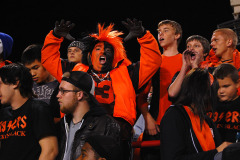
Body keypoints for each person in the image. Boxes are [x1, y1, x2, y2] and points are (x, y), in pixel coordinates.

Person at [42, 18, 161, 160]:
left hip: (116, 136)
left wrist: (143, 36)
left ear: (115, 55)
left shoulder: (128, 73)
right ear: (89, 55)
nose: (103, 51)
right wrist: (55, 36)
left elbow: (153, 60)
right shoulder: (76, 72)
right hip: (80, 133)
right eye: (97, 49)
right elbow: (49, 59)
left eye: (108, 49)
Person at [160, 68, 232, 160]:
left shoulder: (206, 120)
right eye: (214, 91)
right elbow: (172, 158)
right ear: (203, 94)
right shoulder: (174, 116)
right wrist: (216, 153)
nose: (217, 95)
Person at [139, 20, 182, 160]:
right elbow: (141, 94)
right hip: (155, 125)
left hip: (180, 124)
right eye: (158, 31)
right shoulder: (154, 62)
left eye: (165, 30)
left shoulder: (186, 61)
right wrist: (147, 117)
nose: (160, 34)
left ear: (177, 35)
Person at [56, 71, 120, 160]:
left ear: (79, 95)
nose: (58, 95)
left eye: (63, 91)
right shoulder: (62, 124)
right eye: (59, 91)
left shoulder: (106, 124)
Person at [0, 63, 58, 160]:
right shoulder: (3, 114)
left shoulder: (38, 109)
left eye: (0, 84)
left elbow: (50, 151)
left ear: (15, 82)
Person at [21, 44, 61, 121]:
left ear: (46, 63)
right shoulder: (25, 86)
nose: (32, 74)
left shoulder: (61, 84)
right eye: (28, 70)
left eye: (35, 68)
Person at [168, 35, 210, 102]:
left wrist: (194, 65)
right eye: (188, 46)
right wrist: (184, 66)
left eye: (196, 46)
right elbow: (172, 93)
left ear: (205, 53)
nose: (191, 49)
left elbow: (200, 94)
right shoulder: (181, 74)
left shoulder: (210, 70)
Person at [207, 63, 240, 143]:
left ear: (237, 84)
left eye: (226, 86)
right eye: (217, 87)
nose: (221, 91)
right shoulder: (208, 105)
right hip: (212, 152)